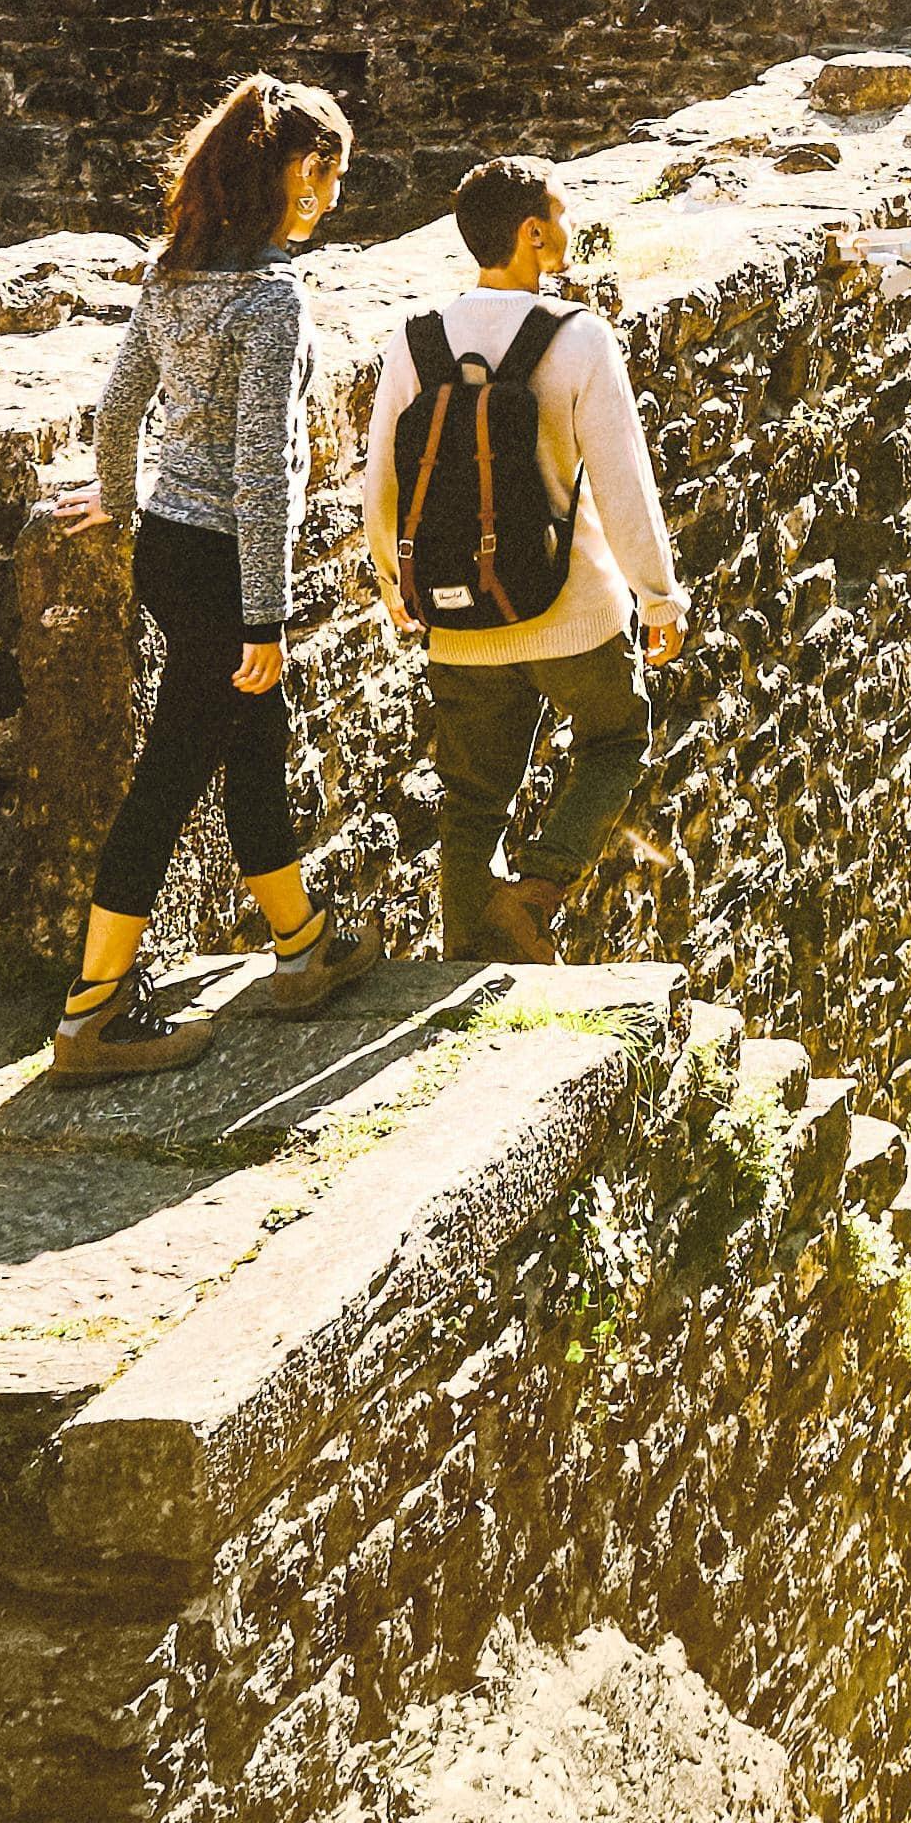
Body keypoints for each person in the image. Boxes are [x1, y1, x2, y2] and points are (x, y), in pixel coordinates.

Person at [50, 71, 377, 1078]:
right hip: (229, 565)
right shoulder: (272, 300)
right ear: (282, 174)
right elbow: (262, 469)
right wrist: (267, 619)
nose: (326, 196)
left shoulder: (171, 276)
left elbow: (117, 412)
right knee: (171, 777)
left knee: (253, 748)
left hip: (165, 546)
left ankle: (302, 945)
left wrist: (117, 492)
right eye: (320, 175)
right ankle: (93, 1010)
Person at [362, 153, 686, 960]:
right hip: (572, 613)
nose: (571, 230)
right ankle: (536, 891)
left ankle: (469, 949)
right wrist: (658, 596)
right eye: (563, 215)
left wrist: (399, 589)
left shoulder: (416, 341)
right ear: (533, 233)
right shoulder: (577, 339)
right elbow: (622, 485)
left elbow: (382, 485)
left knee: (472, 800)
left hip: (456, 613)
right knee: (616, 744)